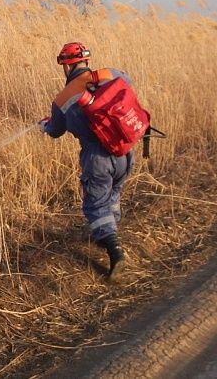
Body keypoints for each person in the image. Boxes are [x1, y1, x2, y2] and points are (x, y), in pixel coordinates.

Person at [39, 42, 134, 278]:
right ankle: (110, 233)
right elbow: (128, 89)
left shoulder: (63, 98)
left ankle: (114, 251)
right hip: (124, 149)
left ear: (66, 65)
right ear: (86, 61)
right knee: (113, 193)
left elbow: (54, 131)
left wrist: (44, 125)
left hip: (97, 157)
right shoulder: (111, 74)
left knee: (96, 204)